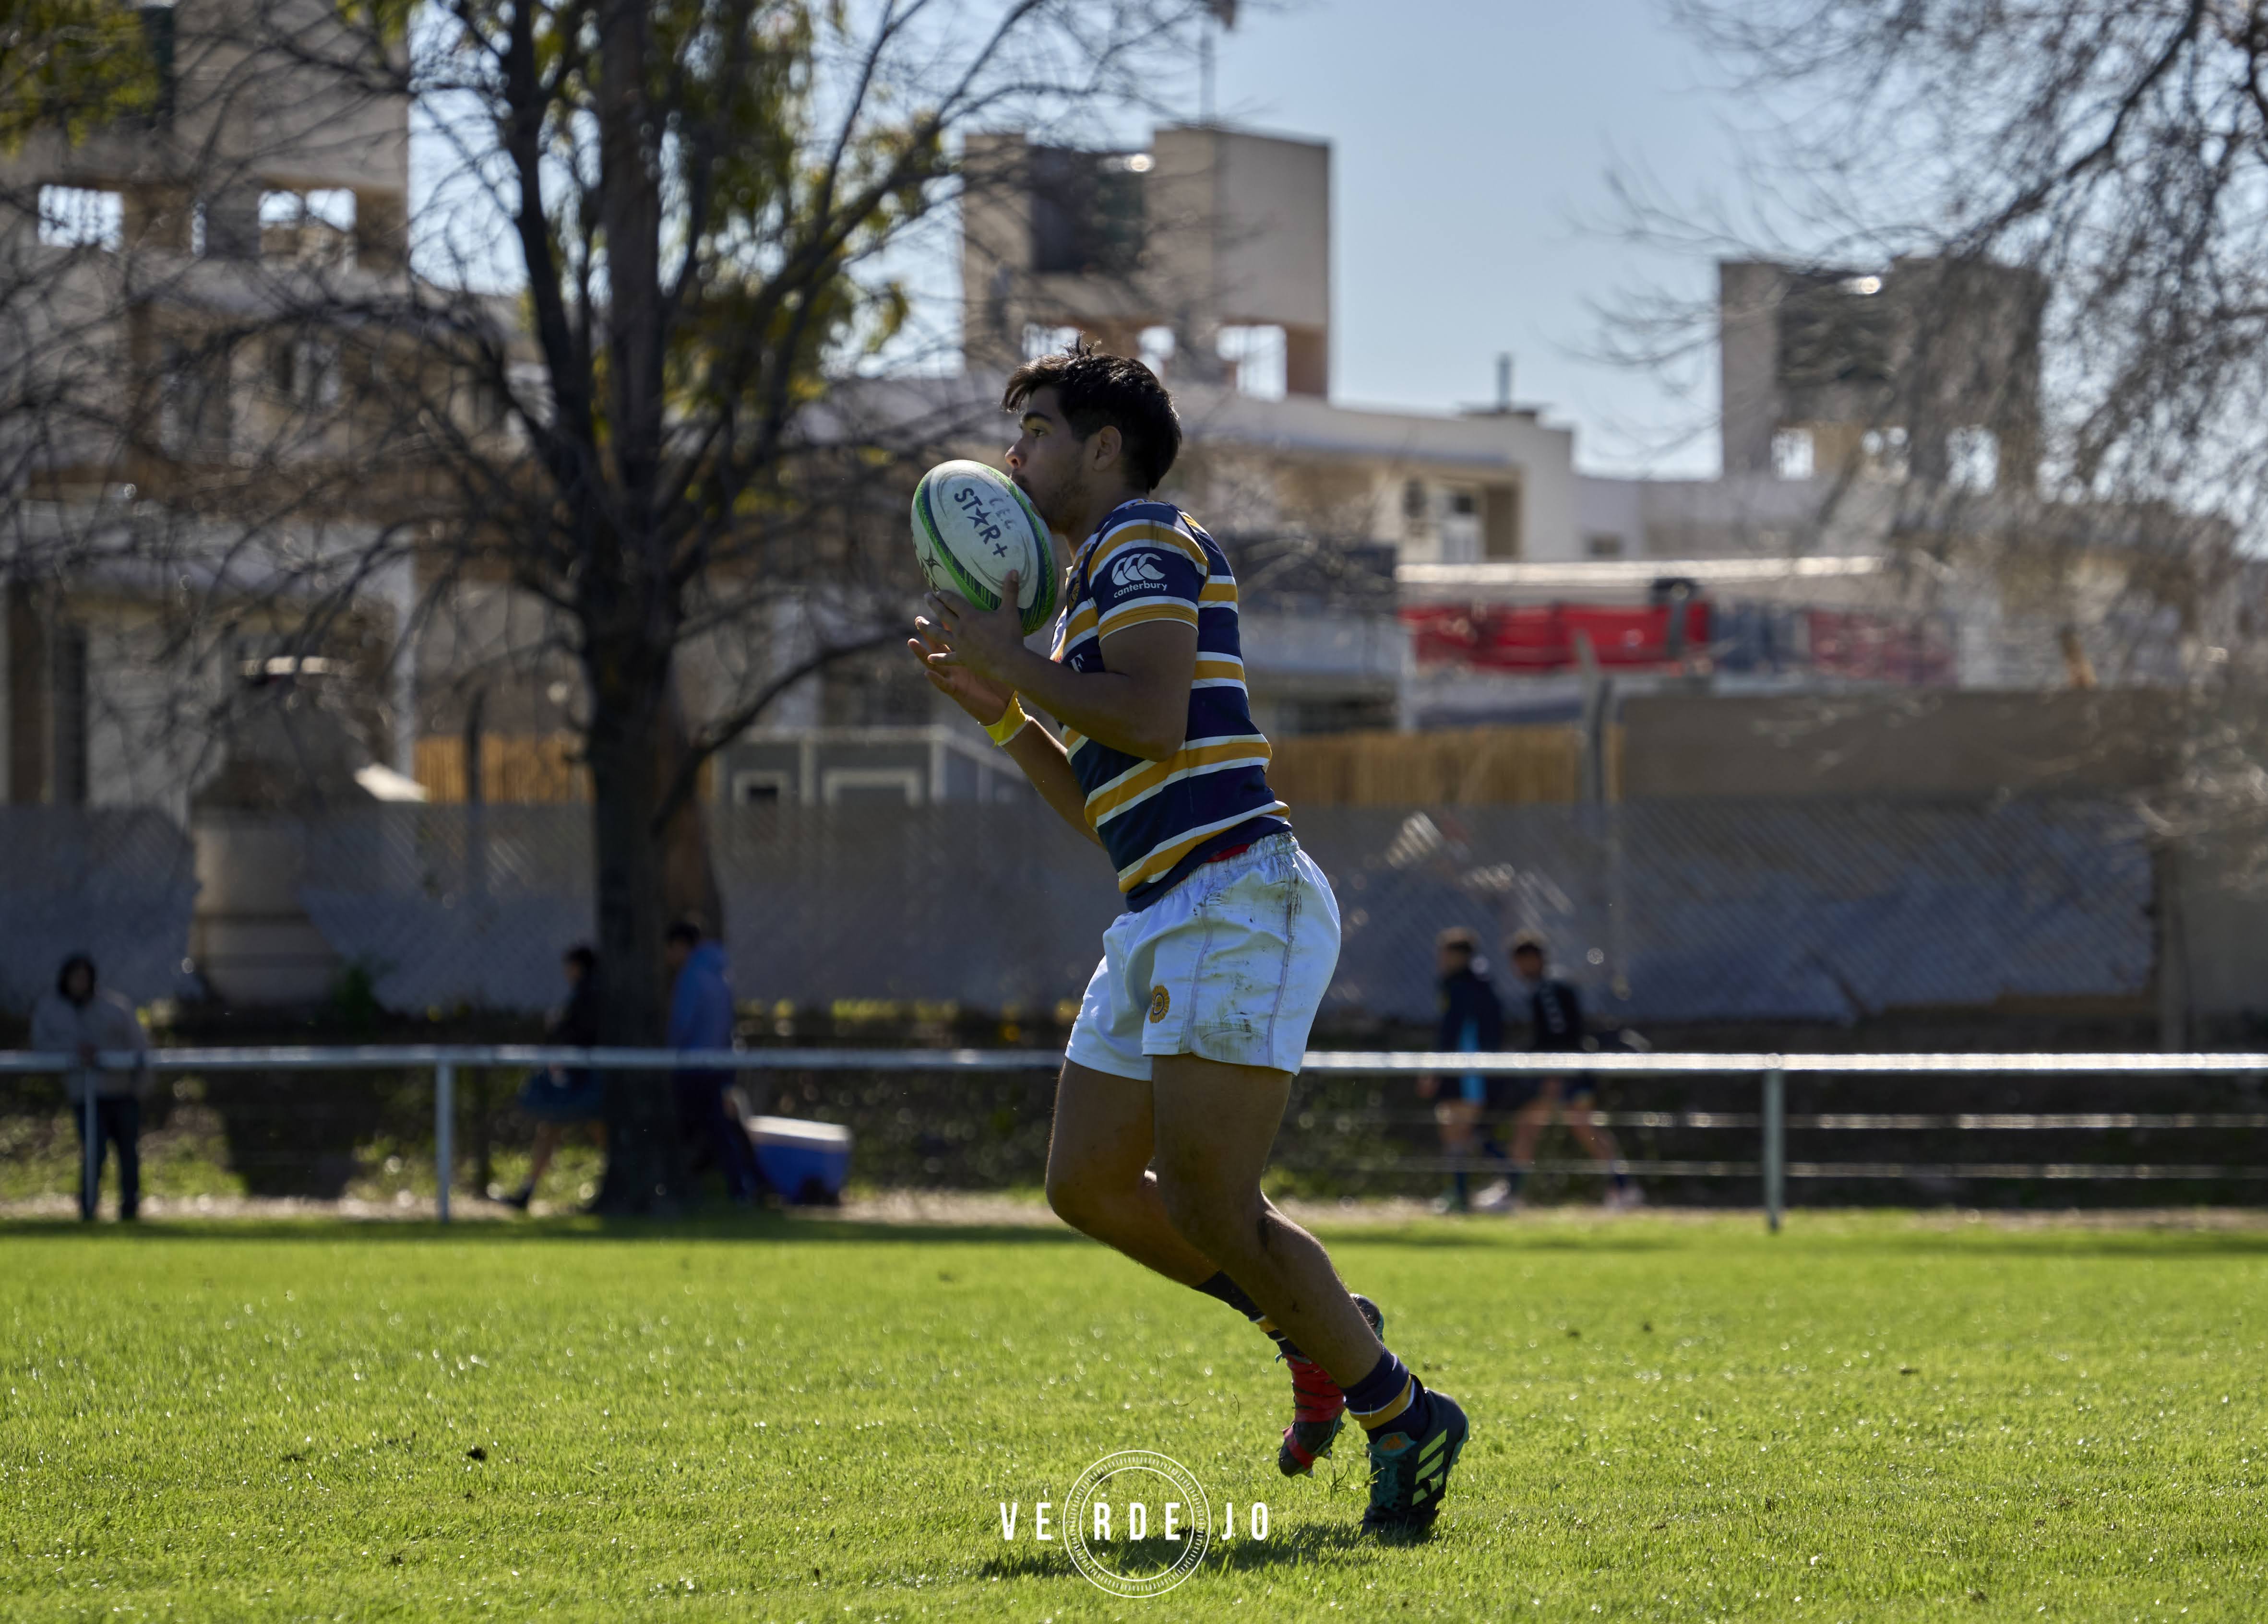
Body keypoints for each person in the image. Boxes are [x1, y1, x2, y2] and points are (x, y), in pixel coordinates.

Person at [907, 345, 1468, 1538]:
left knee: (1219, 1206)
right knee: (1089, 1184)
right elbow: (1105, 805)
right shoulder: (1089, 585)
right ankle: (1314, 1324)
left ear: (1105, 448)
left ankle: (1402, 1411)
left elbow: (1155, 720)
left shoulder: (1143, 542)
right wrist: (1007, 708)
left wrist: (1018, 662)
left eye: (1040, 431)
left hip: (1234, 896)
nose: (1016, 457)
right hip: (1164, 901)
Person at [1500, 931, 1640, 1211]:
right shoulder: (1549, 986)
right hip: (1565, 1070)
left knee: (1578, 1127)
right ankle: (1513, 1191)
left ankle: (1623, 1187)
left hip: (1564, 1073)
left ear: (1532, 959)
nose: (1516, 970)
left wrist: (1555, 1073)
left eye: (1519, 962)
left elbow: (1560, 1035)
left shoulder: (1548, 989)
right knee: (1540, 1126)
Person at [31, 953, 151, 1222]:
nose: (80, 982)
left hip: (122, 1094)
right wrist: (74, 1052)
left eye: (84, 977)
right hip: (85, 1096)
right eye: (75, 977)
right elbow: (41, 1047)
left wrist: (139, 1090)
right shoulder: (50, 1008)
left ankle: (130, 1210)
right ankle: (88, 1208)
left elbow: (140, 1050)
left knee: (128, 1154)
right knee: (94, 1152)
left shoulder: (116, 1007)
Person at [497, 944, 605, 1210]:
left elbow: (578, 1034)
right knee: (552, 1128)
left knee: (597, 1129)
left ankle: (622, 1182)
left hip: (583, 1078)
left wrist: (557, 1028)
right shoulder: (590, 993)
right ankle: (527, 1191)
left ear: (578, 967)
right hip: (579, 1076)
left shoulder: (588, 995)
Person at [1415, 928, 1514, 1214]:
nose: (1441, 959)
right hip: (1464, 1070)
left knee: (1461, 1129)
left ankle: (1511, 1179)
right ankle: (1461, 1193)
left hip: (1467, 1072)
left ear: (1460, 956)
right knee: (1456, 1130)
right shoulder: (1473, 984)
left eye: (1446, 954)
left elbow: (1452, 1032)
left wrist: (1433, 1070)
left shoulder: (1464, 987)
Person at [665, 920, 761, 1203]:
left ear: (681, 946)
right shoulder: (720, 974)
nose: (669, 958)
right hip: (721, 1064)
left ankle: (734, 1185)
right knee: (722, 1126)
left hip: (695, 1067)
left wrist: (670, 1052)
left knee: (703, 1127)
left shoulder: (692, 977)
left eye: (670, 949)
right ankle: (749, 1180)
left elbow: (682, 1024)